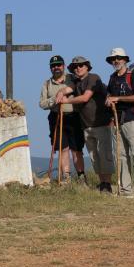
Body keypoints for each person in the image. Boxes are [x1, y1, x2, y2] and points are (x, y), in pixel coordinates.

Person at [56, 56, 114, 193]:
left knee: (104, 154)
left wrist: (66, 101)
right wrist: (60, 92)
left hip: (101, 123)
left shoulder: (93, 78)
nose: (78, 68)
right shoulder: (76, 83)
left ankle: (107, 184)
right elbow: (68, 89)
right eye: (75, 67)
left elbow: (86, 97)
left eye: (81, 65)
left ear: (87, 66)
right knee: (94, 156)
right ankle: (102, 183)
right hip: (87, 125)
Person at [105, 48, 134, 199]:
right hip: (117, 120)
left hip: (133, 118)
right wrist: (109, 100)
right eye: (113, 59)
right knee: (122, 156)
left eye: (118, 58)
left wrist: (117, 99)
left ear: (125, 59)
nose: (116, 61)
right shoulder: (112, 78)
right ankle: (126, 190)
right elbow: (109, 97)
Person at [39, 55, 85, 184]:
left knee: (76, 149)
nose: (56, 68)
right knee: (62, 148)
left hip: (73, 116)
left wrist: (63, 94)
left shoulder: (72, 78)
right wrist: (54, 100)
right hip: (56, 118)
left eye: (59, 65)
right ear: (50, 68)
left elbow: (78, 90)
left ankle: (81, 176)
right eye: (53, 66)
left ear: (63, 66)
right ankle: (66, 176)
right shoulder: (47, 84)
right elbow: (42, 104)